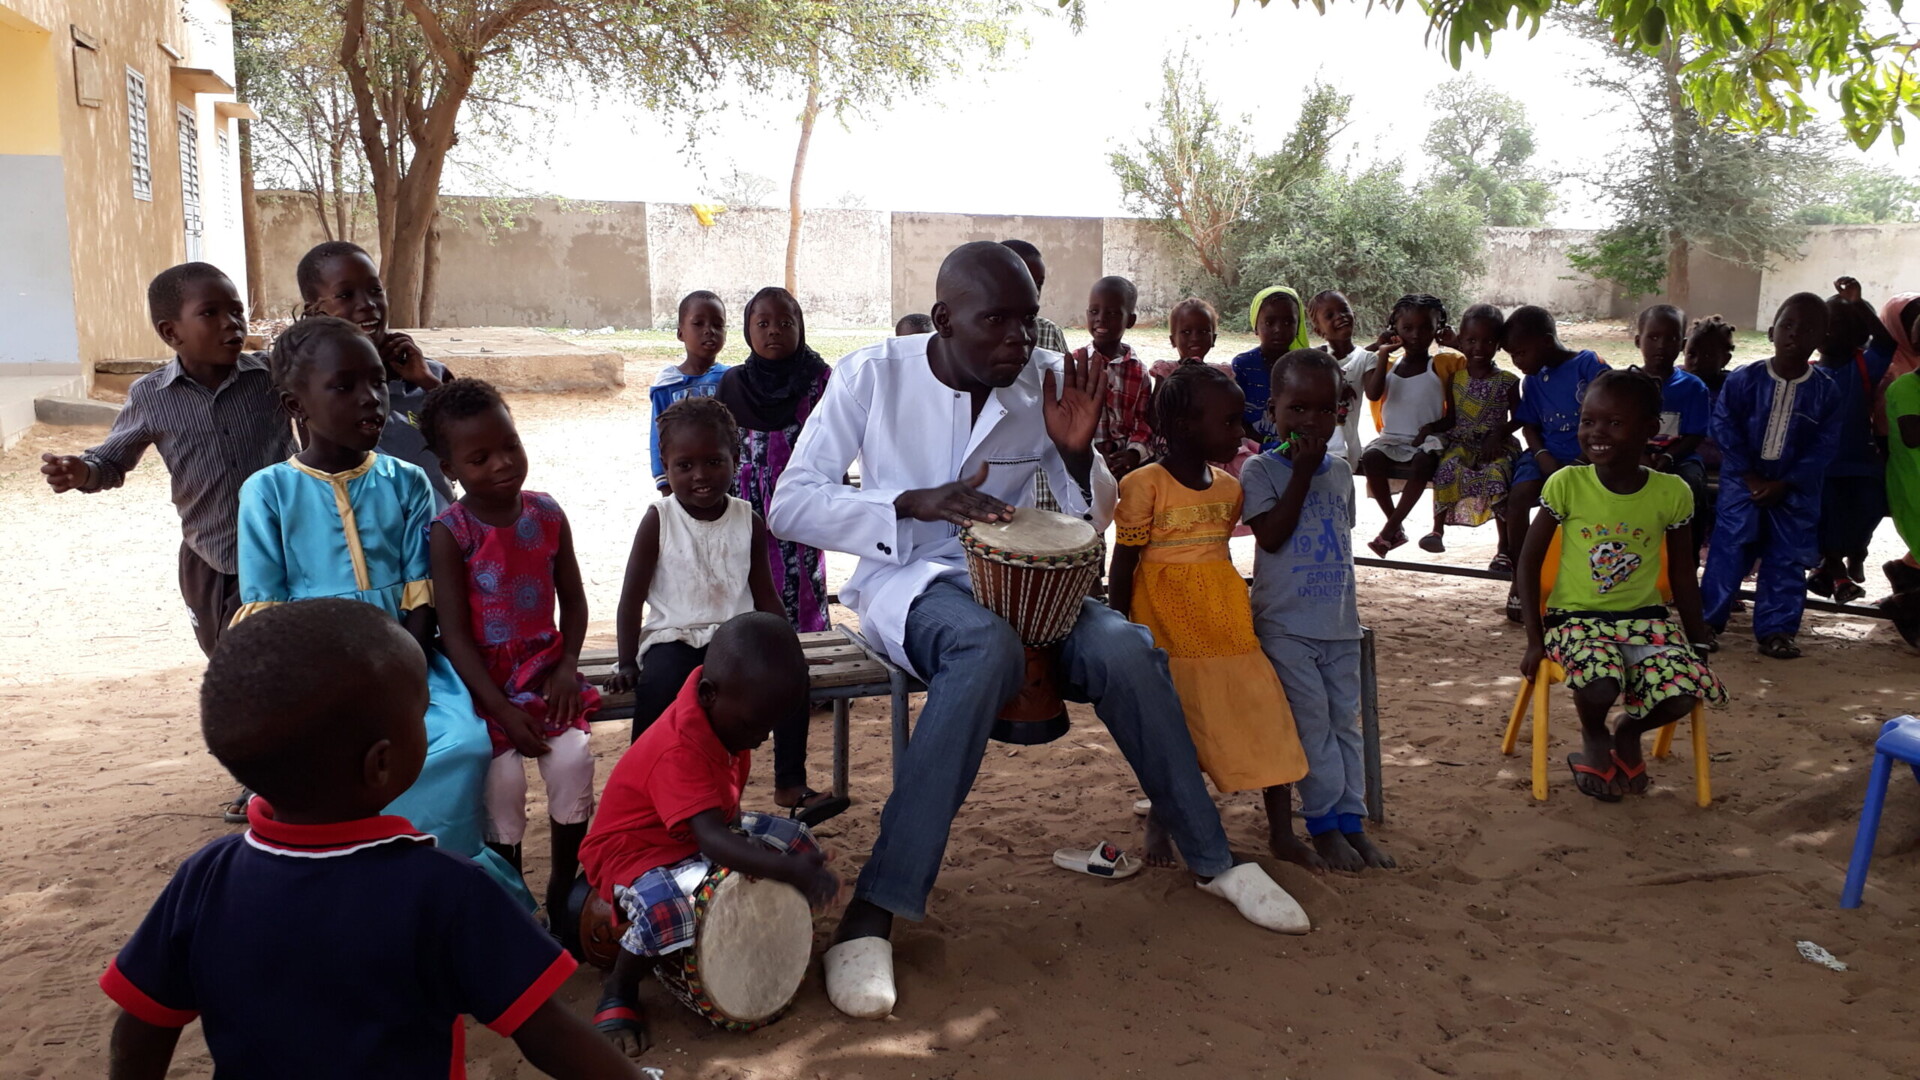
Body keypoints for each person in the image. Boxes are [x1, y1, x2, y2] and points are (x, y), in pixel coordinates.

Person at [768, 241, 1311, 1021]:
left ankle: (1213, 857)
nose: (1019, 340)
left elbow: (1091, 515)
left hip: (1023, 579)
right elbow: (791, 504)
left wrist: (1075, 452)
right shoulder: (872, 374)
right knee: (982, 649)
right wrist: (911, 502)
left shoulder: (1043, 380)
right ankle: (874, 909)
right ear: (946, 319)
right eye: (997, 322)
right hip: (909, 580)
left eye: (1027, 321)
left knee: (1125, 648)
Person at [101, 599, 637, 1080]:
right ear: (381, 763)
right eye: (423, 712)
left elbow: (144, 1025)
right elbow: (548, 1035)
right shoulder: (447, 889)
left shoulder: (205, 877)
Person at [233, 316, 528, 905]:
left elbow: (422, 594)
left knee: (460, 745)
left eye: (376, 381)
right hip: (316, 677)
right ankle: (368, 896)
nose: (370, 397)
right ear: (296, 404)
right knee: (334, 767)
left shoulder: (408, 481)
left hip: (410, 662)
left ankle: (449, 891)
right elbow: (269, 613)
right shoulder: (266, 492)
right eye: (345, 386)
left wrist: (402, 673)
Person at [579, 613, 841, 1058]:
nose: (761, 739)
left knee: (795, 838)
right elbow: (712, 841)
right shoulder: (679, 746)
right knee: (669, 912)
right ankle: (619, 989)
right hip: (636, 848)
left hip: (696, 830)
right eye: (755, 725)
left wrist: (768, 853)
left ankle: (769, 936)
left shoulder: (729, 718)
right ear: (708, 694)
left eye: (770, 727)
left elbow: (722, 814)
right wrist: (782, 869)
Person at [1108, 365, 1311, 868]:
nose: (1240, 432)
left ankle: (1282, 832)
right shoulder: (1143, 485)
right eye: (1228, 422)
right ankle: (1162, 821)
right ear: (1184, 426)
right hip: (1166, 625)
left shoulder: (1228, 488)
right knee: (1179, 727)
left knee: (1264, 710)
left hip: (1227, 623)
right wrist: (1120, 629)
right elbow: (1124, 562)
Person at [40, 263, 295, 660]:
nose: (232, 323)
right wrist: (82, 473)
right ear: (170, 332)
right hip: (210, 555)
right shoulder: (152, 396)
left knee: (278, 659)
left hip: (283, 548)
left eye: (236, 311)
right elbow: (111, 463)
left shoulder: (271, 376)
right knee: (224, 659)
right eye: (210, 313)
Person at [606, 398, 843, 821]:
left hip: (736, 640)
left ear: (735, 457)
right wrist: (626, 661)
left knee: (791, 681)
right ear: (666, 466)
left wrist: (788, 648)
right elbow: (631, 599)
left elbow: (764, 594)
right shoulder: (659, 519)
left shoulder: (747, 519)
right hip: (675, 637)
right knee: (660, 684)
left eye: (714, 462)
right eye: (685, 465)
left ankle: (790, 781)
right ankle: (645, 783)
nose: (700, 475)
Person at [422, 377, 600, 920]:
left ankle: (565, 889)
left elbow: (574, 600)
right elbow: (454, 635)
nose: (502, 464)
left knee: (572, 758)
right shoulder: (451, 532)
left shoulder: (546, 513)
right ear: (450, 468)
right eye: (479, 459)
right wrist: (500, 709)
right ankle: (511, 897)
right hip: (483, 685)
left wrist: (567, 665)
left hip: (546, 672)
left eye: (510, 446)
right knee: (501, 782)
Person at [1516, 368, 1726, 801]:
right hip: (1576, 620)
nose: (1597, 432)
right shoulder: (1567, 483)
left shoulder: (1672, 492)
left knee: (1685, 689)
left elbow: (1683, 572)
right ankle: (1594, 735)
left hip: (1646, 620)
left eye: (1614, 422)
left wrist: (1697, 638)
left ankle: (1628, 730)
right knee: (1601, 682)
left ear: (1650, 429)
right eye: (1588, 421)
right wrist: (1535, 639)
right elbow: (1529, 561)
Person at [1243, 349, 1394, 869]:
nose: (1310, 421)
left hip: (1339, 624)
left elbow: (1340, 534)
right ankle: (1324, 824)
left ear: (1340, 412)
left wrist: (1315, 470)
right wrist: (1302, 473)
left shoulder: (1342, 472)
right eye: (1298, 408)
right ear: (1274, 410)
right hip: (1286, 628)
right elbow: (1272, 536)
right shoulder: (1260, 470)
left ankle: (1351, 822)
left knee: (1344, 727)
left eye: (1324, 409)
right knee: (1311, 728)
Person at [1701, 293, 1842, 660]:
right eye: (1788, 325)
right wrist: (1749, 476)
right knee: (1729, 550)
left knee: (1787, 558)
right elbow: (1724, 427)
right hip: (1741, 484)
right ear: (1771, 332)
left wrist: (1786, 482)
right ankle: (1706, 622)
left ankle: (1777, 630)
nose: (1794, 334)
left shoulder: (1826, 390)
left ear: (1822, 338)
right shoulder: (1745, 379)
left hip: (1795, 490)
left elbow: (1825, 444)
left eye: (1807, 329)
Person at [296, 240, 455, 508]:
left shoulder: (431, 377)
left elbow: (482, 439)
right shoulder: (314, 394)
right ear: (314, 311)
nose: (367, 304)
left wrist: (428, 382)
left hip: (442, 527)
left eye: (375, 290)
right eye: (346, 295)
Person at [715, 287, 830, 635]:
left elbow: (835, 443)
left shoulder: (818, 381)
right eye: (763, 323)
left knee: (801, 581)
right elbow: (720, 446)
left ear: (800, 327)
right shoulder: (733, 383)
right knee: (744, 579)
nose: (774, 331)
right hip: (742, 505)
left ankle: (805, 650)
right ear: (747, 330)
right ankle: (747, 652)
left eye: (785, 323)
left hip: (799, 502)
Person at [1502, 306, 1610, 620]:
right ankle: (1521, 579)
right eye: (1512, 355)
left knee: (1588, 508)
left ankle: (1585, 582)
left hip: (1591, 456)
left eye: (1521, 352)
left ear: (1547, 342)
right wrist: (1542, 456)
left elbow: (1608, 412)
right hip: (1546, 454)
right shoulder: (1533, 381)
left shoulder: (1588, 365)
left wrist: (1580, 460)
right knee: (1519, 498)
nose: (1517, 362)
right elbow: (1530, 426)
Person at [1810, 279, 1896, 604]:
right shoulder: (1807, 371)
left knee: (1873, 503)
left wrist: (1858, 304)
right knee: (1824, 507)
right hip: (1821, 465)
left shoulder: (1862, 366)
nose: (1830, 331)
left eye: (1841, 325)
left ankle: (1852, 553)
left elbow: (1886, 343)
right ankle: (1836, 570)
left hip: (1860, 461)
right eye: (1825, 324)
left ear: (1860, 335)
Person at [1361, 295, 1454, 556]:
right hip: (1390, 438)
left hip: (1429, 439)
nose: (1416, 335)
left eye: (1426, 327)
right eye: (1407, 328)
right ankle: (1395, 525)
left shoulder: (1444, 364)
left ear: (1438, 329)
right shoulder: (1388, 364)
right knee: (1370, 458)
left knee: (1424, 462)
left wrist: (1455, 342)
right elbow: (1371, 390)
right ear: (1395, 329)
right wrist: (1380, 349)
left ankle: (1389, 530)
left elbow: (1479, 363)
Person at [1429, 303, 1521, 565]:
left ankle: (1503, 547)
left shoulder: (1508, 381)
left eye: (1488, 341)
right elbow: (1451, 418)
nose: (1478, 347)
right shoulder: (1456, 379)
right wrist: (1430, 429)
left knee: (1497, 475)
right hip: (1463, 443)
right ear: (1461, 340)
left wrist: (1499, 433)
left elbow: (1520, 418)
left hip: (1496, 445)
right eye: (1471, 340)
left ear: (1499, 344)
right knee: (1447, 468)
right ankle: (1437, 531)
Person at [1635, 305, 1714, 531]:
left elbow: (1695, 434)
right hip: (1631, 456)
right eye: (1653, 337)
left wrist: (1669, 457)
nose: (1661, 345)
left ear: (1682, 344)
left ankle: (1688, 545)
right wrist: (1640, 456)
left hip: (1680, 458)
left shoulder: (1693, 388)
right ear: (1638, 341)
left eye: (1671, 339)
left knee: (1691, 485)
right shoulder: (1625, 384)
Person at [650, 290, 731, 496]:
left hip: (724, 480)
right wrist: (664, 485)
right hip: (683, 481)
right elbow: (657, 437)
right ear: (680, 333)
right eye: (698, 324)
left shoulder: (731, 379)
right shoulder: (668, 385)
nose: (709, 331)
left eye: (718, 325)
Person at [1079, 275, 1153, 478]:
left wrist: (1133, 454)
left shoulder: (1139, 372)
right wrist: (1088, 450)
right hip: (1083, 461)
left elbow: (1143, 421)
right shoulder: (1077, 364)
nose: (1100, 318)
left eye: (1112, 312)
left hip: (1125, 466)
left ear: (1130, 320)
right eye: (1094, 311)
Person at [1232, 285, 1312, 452]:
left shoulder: (1304, 368)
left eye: (1288, 322)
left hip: (1294, 449)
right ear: (1255, 326)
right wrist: (1263, 443)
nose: (1279, 329)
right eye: (1269, 322)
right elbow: (1234, 415)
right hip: (1249, 450)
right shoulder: (1243, 365)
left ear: (1298, 326)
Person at [1683, 313, 1738, 547]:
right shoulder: (1678, 384)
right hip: (1685, 461)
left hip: (1726, 464)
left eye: (1707, 355)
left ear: (1725, 359)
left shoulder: (1734, 388)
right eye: (1692, 354)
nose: (1697, 361)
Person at [1307, 290, 1377, 471]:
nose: (1340, 316)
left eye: (1344, 310)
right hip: (1317, 448)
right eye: (1329, 315)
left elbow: (1374, 393)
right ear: (1319, 331)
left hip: (1349, 447)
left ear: (1354, 314)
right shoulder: (1313, 359)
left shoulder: (1367, 358)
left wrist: (1382, 352)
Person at [1880, 365, 1920, 643]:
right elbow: (1912, 434)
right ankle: (1907, 604)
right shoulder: (1906, 387)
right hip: (1913, 485)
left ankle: (1906, 571)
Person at [1000, 239, 1070, 355]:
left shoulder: (1049, 332)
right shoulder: (980, 331)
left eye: (1038, 284)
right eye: (1025, 283)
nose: (1035, 292)